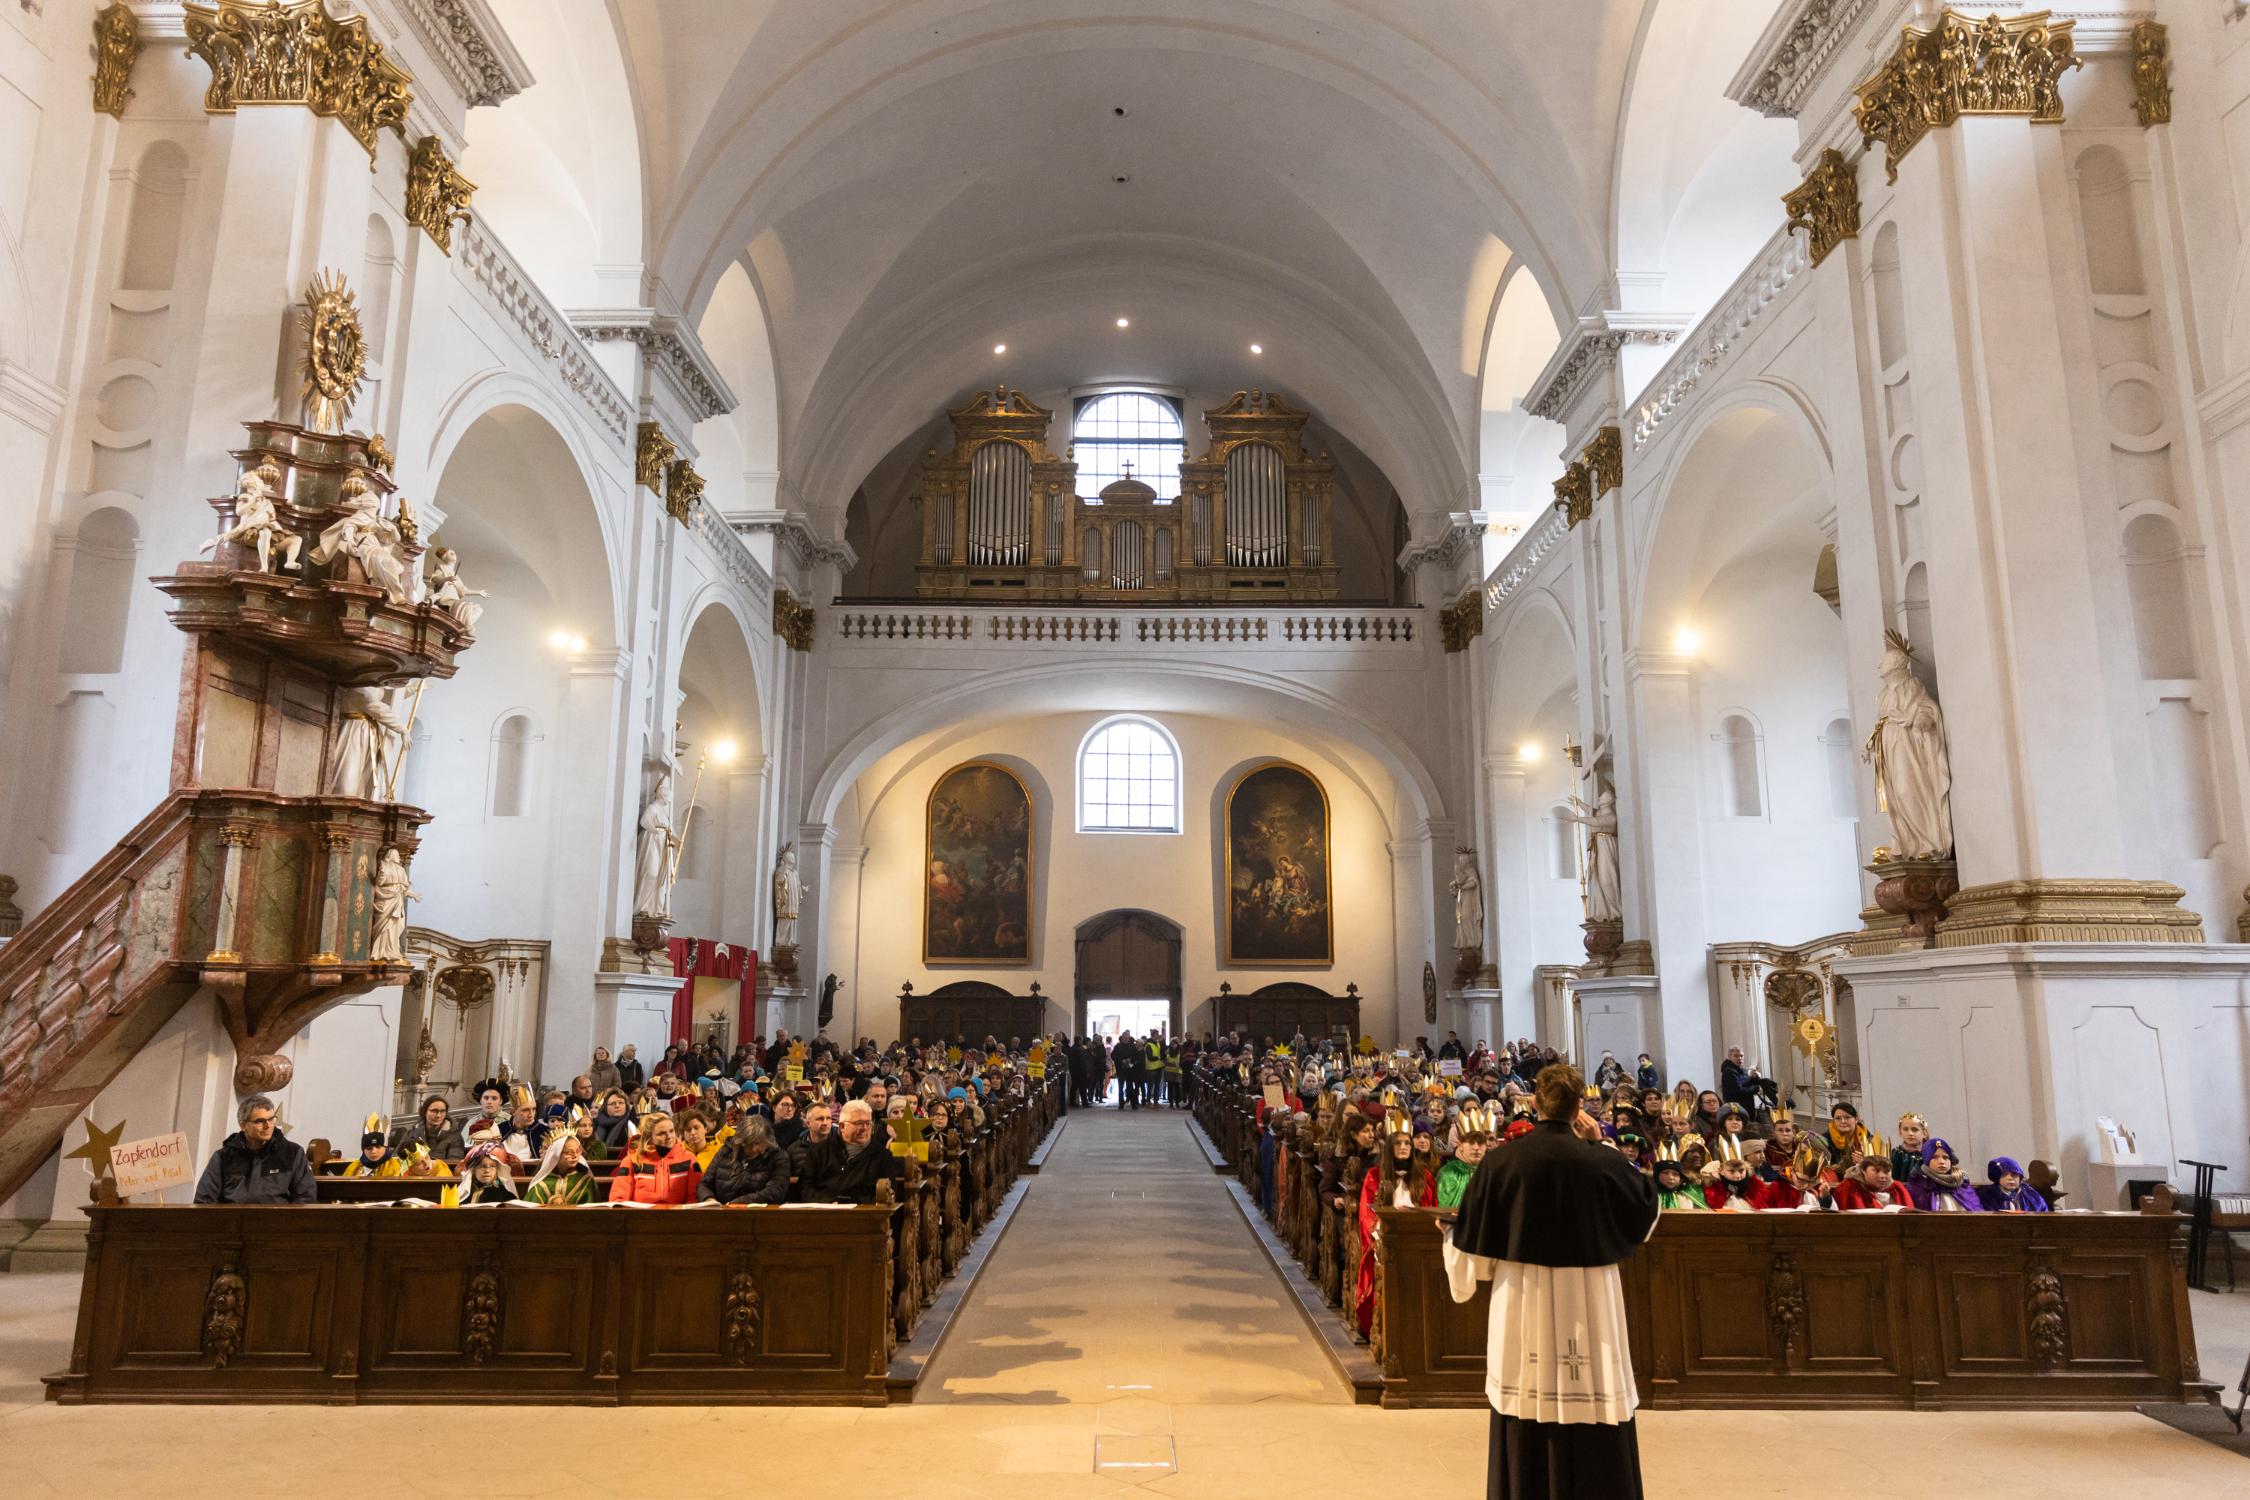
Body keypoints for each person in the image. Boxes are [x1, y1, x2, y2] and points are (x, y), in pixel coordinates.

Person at [1444, 1063, 1658, 1500]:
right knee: (1593, 1398)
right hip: (1591, 1298)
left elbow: (1472, 1253)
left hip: (1524, 1296)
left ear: (1535, 1103)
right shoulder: (1602, 1162)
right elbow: (1645, 1211)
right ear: (1580, 1107)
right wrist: (1603, 1147)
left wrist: (1451, 1239)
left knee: (1525, 1394)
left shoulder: (1502, 1161)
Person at [194, 1095, 317, 1204]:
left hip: (277, 1226)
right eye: (260, 1121)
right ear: (243, 1125)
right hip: (231, 1226)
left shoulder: (293, 1153)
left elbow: (306, 1198)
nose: (268, 1126)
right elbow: (204, 1200)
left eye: (271, 1119)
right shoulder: (223, 1157)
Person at [796, 1099, 900, 1203]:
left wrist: (848, 1203)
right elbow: (804, 1189)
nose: (865, 1128)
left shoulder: (882, 1155)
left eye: (868, 1123)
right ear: (842, 1126)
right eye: (859, 1123)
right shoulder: (818, 1151)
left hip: (864, 1215)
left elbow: (888, 1195)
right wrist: (828, 1203)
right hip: (823, 1214)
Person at [609, 1112, 701, 1204]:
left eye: (671, 1131)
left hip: (679, 1216)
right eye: (662, 1134)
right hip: (641, 1216)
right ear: (649, 1137)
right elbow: (619, 1196)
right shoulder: (632, 1160)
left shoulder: (689, 1158)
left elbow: (694, 1196)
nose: (669, 1137)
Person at [701, 1115, 791, 1205]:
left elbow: (775, 1192)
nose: (753, 1148)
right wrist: (709, 1199)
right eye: (748, 1144)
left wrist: (739, 1203)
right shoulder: (727, 1151)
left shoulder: (778, 1157)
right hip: (722, 1212)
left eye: (758, 1143)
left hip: (761, 1214)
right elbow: (705, 1184)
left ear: (767, 1141)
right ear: (740, 1142)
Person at [1907, 1137, 1985, 1213]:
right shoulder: (1920, 1185)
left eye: (1945, 1157)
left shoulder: (1961, 1184)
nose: (1941, 1161)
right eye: (1935, 1157)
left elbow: (1977, 1211)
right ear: (1927, 1161)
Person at [1437, 1104, 1492, 1208]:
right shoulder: (1448, 1173)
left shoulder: (1492, 1172)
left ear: (1486, 1146)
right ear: (1459, 1145)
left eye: (1480, 1142)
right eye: (1471, 1142)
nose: (1476, 1147)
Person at [388, 1094, 464, 1163]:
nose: (438, 1115)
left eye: (442, 1111)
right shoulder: (412, 1133)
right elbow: (396, 1158)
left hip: (440, 1175)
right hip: (412, 1175)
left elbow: (454, 1163)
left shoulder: (454, 1136)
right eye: (434, 1111)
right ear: (424, 1111)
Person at [524, 1133, 597, 1204]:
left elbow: (592, 1212)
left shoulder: (585, 1180)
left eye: (578, 1151)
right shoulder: (542, 1182)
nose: (575, 1156)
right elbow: (531, 1212)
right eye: (569, 1152)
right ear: (557, 1154)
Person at [1833, 1154, 1914, 1211]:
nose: (1882, 1176)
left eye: (1886, 1171)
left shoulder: (1897, 1188)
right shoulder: (1849, 1187)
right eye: (1876, 1171)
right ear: (1863, 1170)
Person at [1979, 1157, 2050, 1213]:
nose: (2010, 1178)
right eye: (2004, 1175)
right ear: (1997, 1178)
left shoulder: (2030, 1194)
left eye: (2014, 1174)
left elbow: (2043, 1212)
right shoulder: (1988, 1195)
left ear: (2020, 1177)